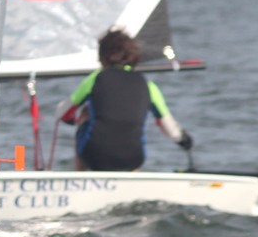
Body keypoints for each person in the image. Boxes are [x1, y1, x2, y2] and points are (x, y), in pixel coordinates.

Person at [56, 28, 193, 171]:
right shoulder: (148, 86)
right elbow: (172, 131)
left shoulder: (95, 79)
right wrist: (185, 140)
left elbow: (63, 113)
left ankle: (81, 178)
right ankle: (131, 179)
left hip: (94, 157)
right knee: (133, 127)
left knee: (85, 113)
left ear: (102, 56)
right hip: (133, 159)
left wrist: (71, 120)